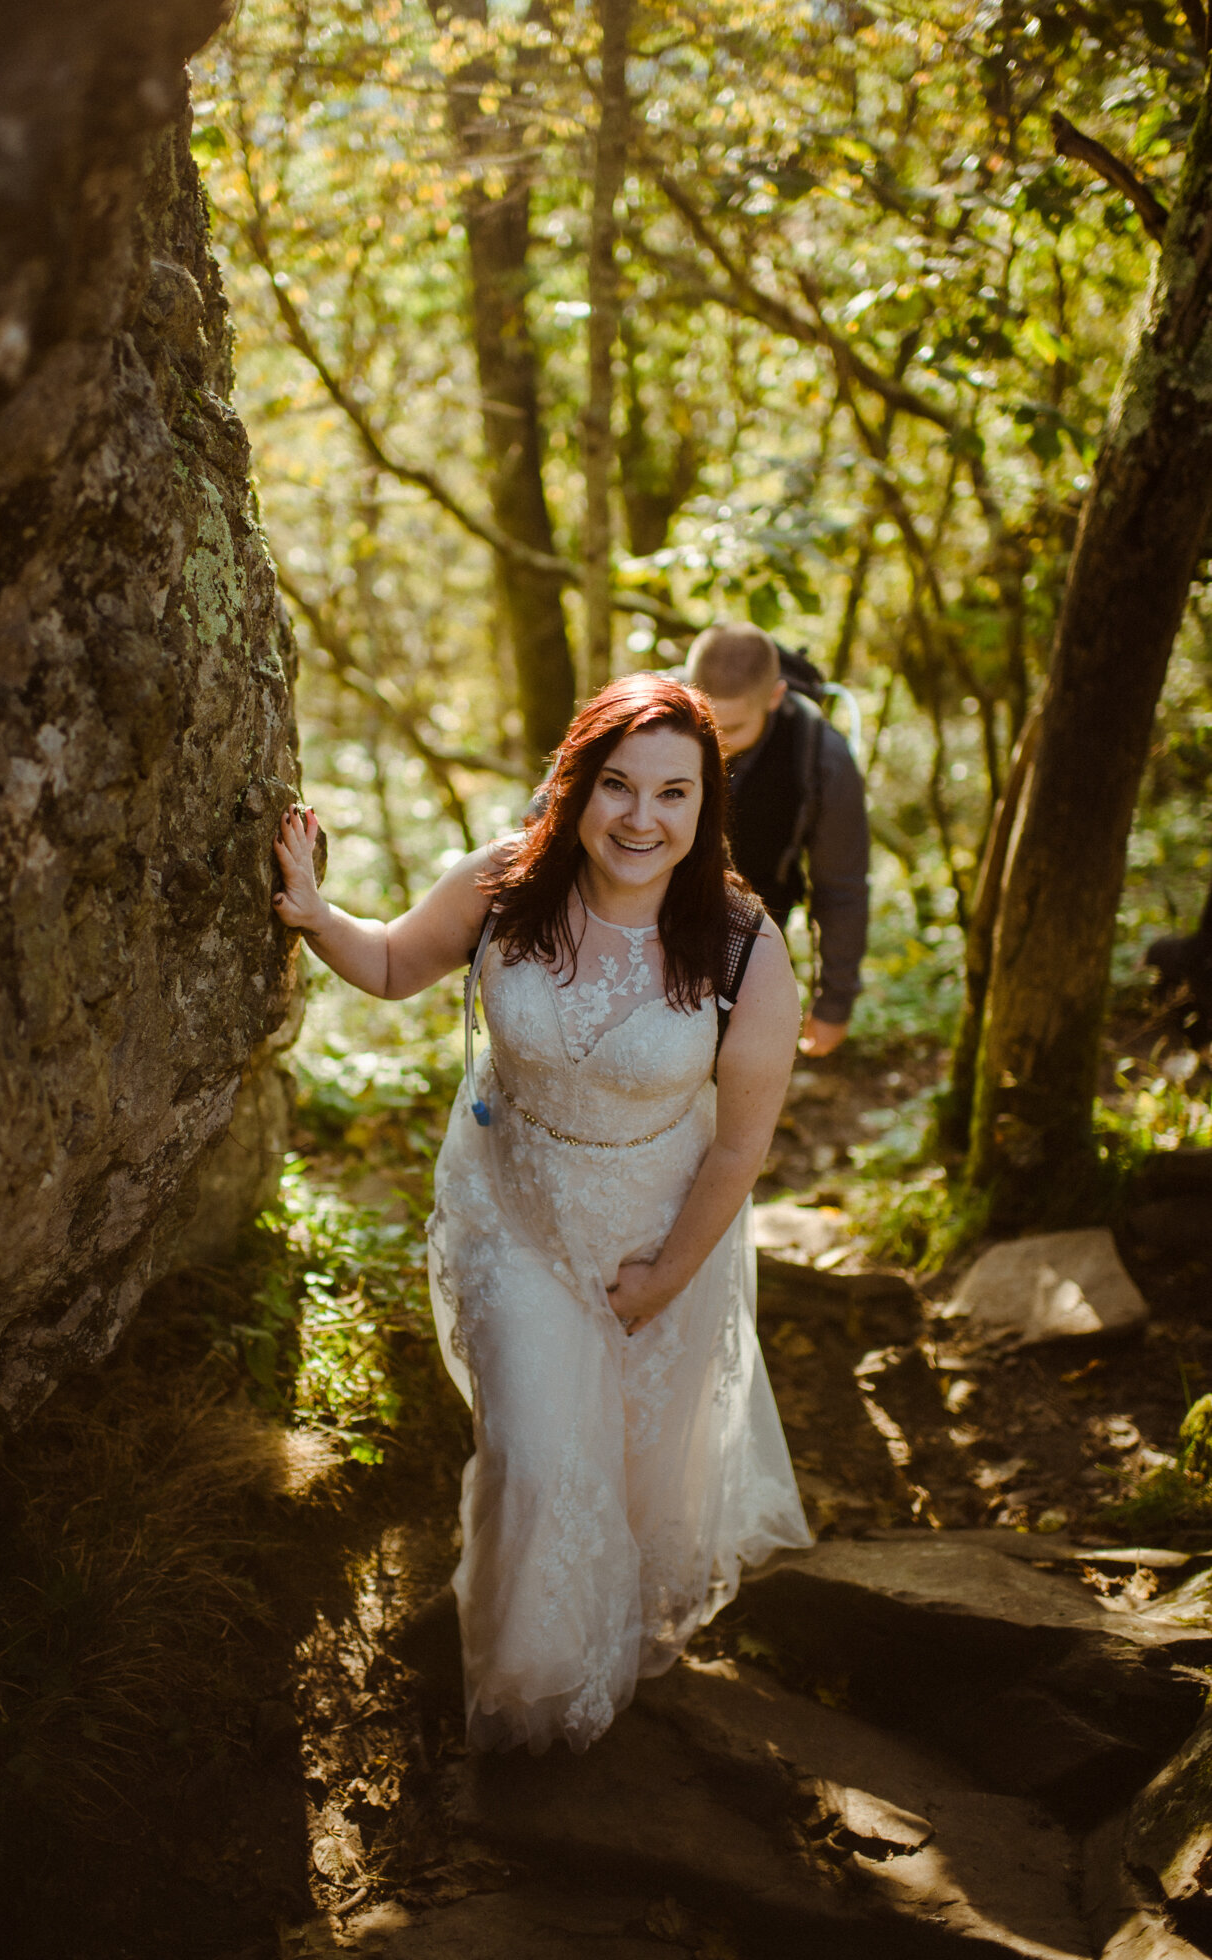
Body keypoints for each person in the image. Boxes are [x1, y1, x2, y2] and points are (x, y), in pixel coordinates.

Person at [271, 674, 810, 1755]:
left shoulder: (744, 946)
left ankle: (618, 1633)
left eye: (672, 793)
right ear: (576, 782)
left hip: (660, 1234)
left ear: (706, 806)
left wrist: (662, 1278)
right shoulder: (504, 883)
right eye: (617, 785)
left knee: (638, 1469)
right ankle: (534, 1694)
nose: (641, 818)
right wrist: (316, 913)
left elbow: (743, 1144)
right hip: (509, 1216)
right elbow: (389, 961)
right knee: (534, 1449)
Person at [686, 624, 869, 1058]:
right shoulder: (645, 714)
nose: (716, 741)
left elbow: (841, 888)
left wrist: (834, 1002)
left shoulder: (821, 756)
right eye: (705, 722)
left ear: (774, 697)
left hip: (751, 955)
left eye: (731, 727)